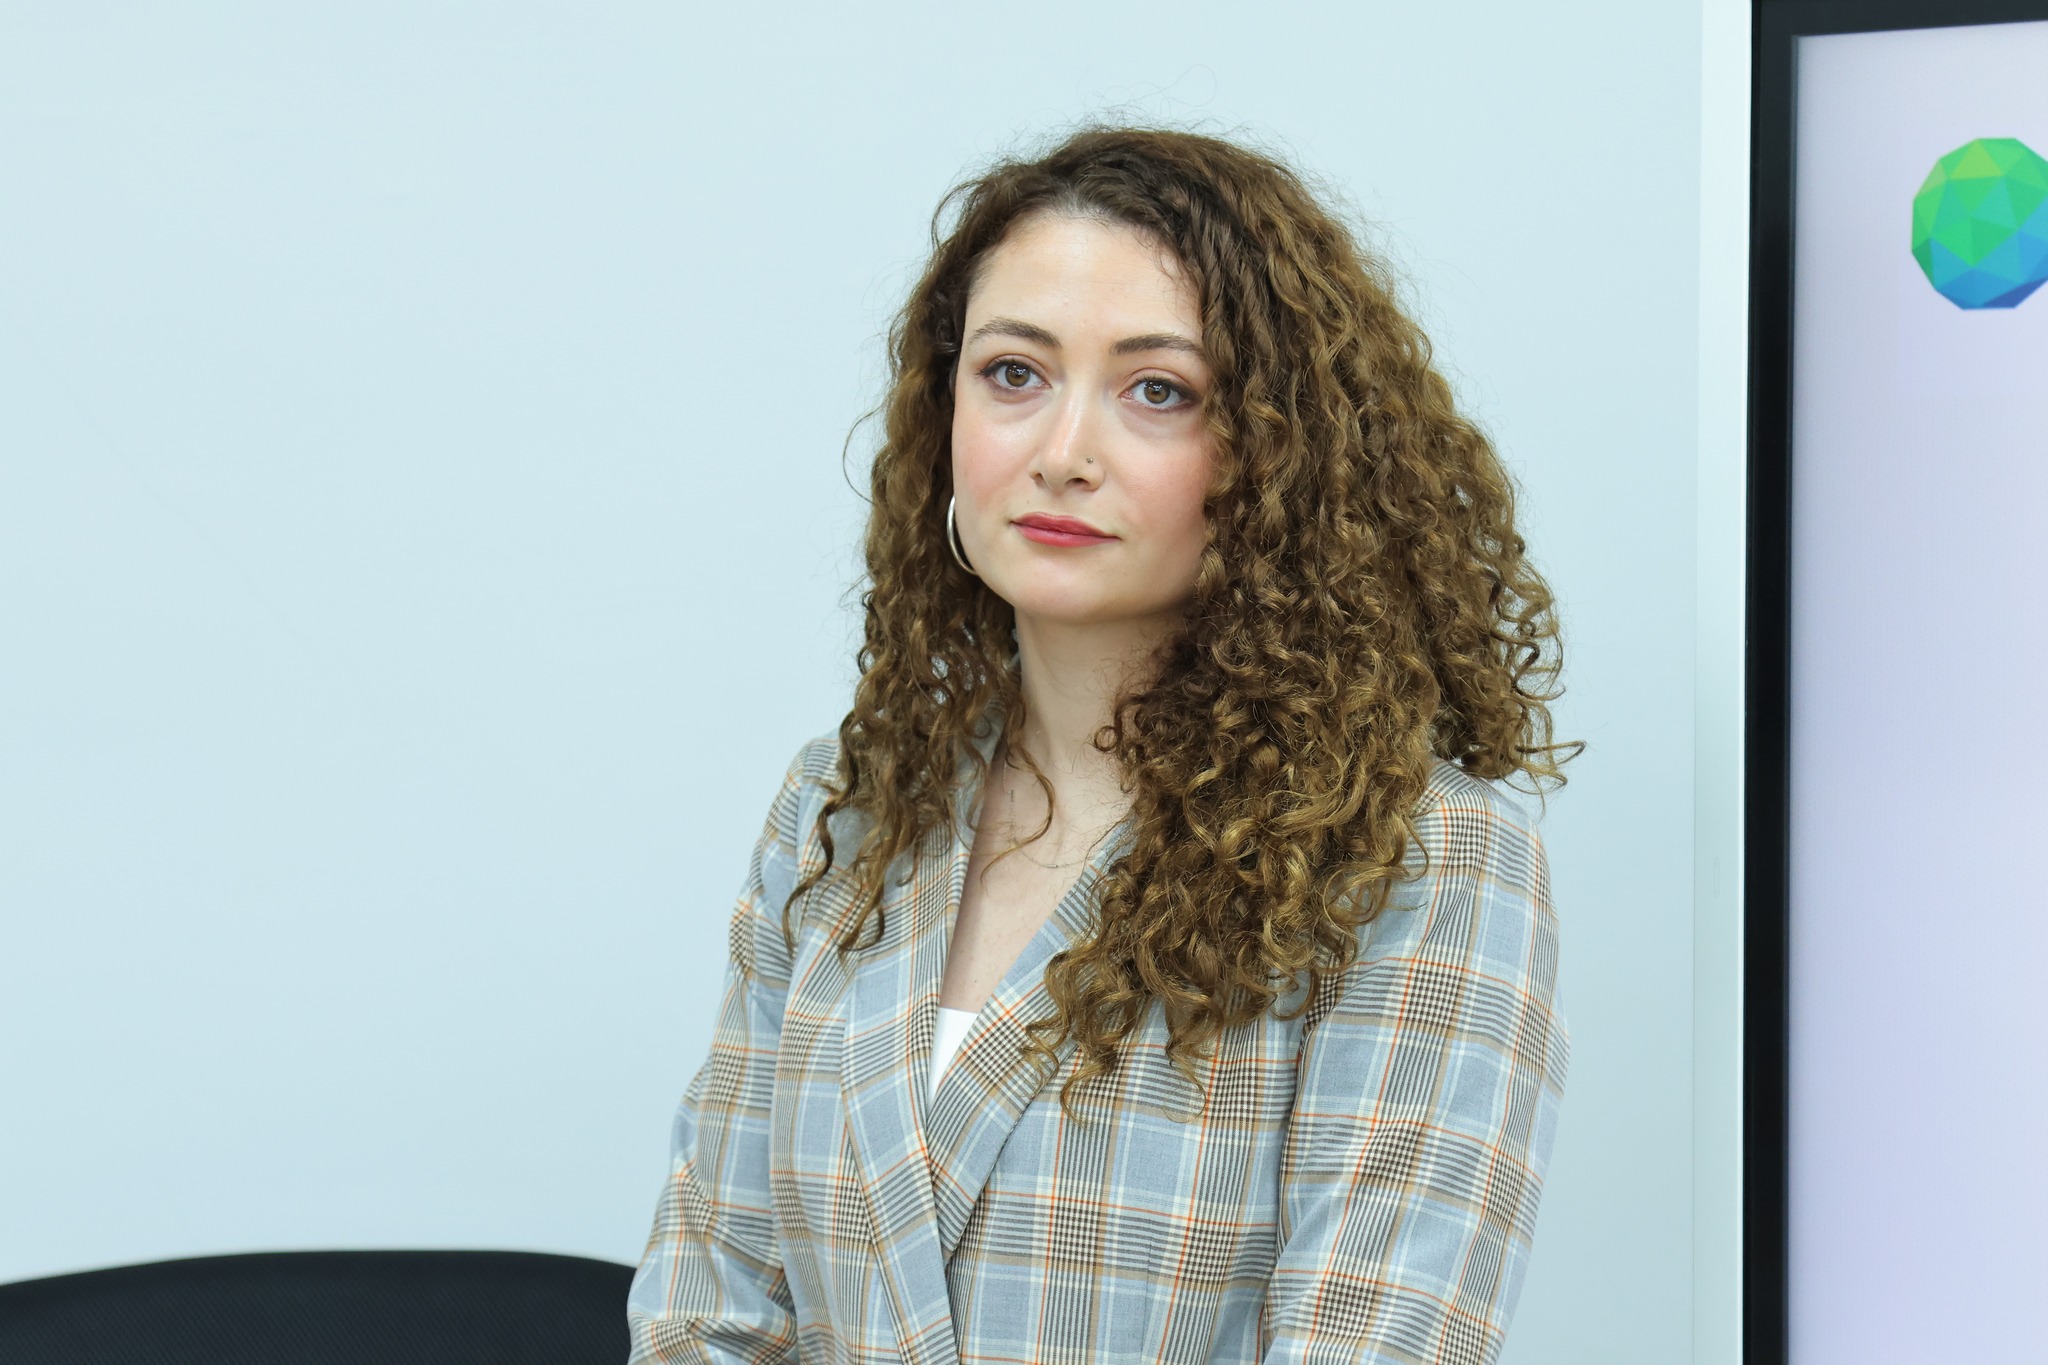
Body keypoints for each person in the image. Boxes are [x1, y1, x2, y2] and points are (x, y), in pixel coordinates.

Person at [626, 123, 1582, 1365]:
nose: (1061, 454)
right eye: (1012, 374)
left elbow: (1371, 1342)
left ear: (1278, 454)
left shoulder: (1421, 858)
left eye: (1157, 392)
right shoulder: (844, 805)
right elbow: (707, 1310)